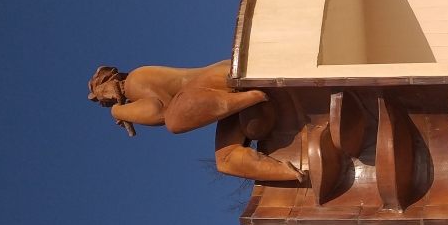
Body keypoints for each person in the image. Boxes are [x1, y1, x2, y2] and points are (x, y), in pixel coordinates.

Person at [87, 61, 305, 182]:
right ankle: (289, 173)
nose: (105, 101)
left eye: (102, 96)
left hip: (219, 82)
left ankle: (253, 96)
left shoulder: (134, 80)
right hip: (220, 96)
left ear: (110, 82)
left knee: (174, 121)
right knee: (225, 160)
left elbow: (158, 111)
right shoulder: (134, 91)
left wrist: (118, 111)